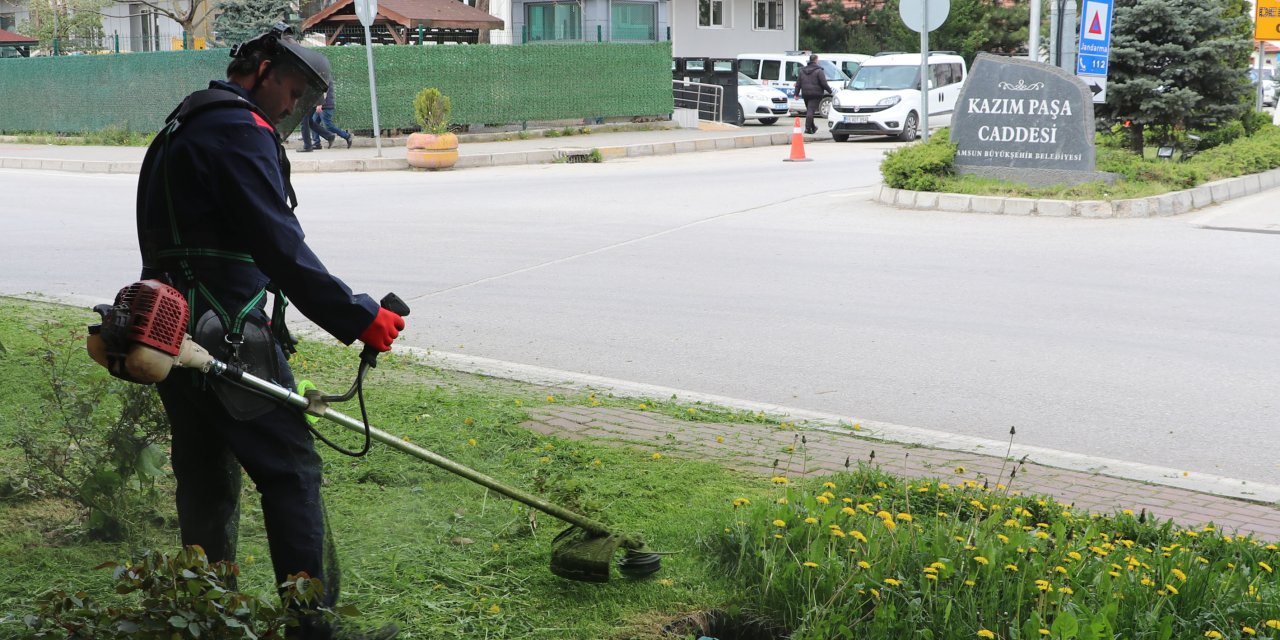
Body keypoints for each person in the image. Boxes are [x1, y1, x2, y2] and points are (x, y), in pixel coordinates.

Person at [134, 22, 402, 640]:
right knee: (291, 474)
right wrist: (358, 314)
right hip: (228, 335)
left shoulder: (183, 124)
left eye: (309, 100)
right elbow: (280, 246)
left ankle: (206, 619)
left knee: (205, 476)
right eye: (295, 91)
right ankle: (313, 632)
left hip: (171, 335)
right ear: (261, 71)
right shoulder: (237, 128)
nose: (296, 108)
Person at [796, 53, 833, 135]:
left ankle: (813, 127)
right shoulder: (819, 71)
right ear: (816, 60)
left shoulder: (802, 71)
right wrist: (831, 92)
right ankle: (807, 128)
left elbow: (798, 83)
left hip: (805, 93)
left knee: (810, 110)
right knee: (810, 111)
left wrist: (796, 94)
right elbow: (824, 83)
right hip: (816, 94)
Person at [310, 82, 353, 149]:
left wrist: (319, 104)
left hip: (325, 106)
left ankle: (347, 136)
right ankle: (316, 143)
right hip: (319, 106)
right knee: (313, 123)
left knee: (328, 126)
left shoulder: (324, 77)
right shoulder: (323, 75)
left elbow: (324, 91)